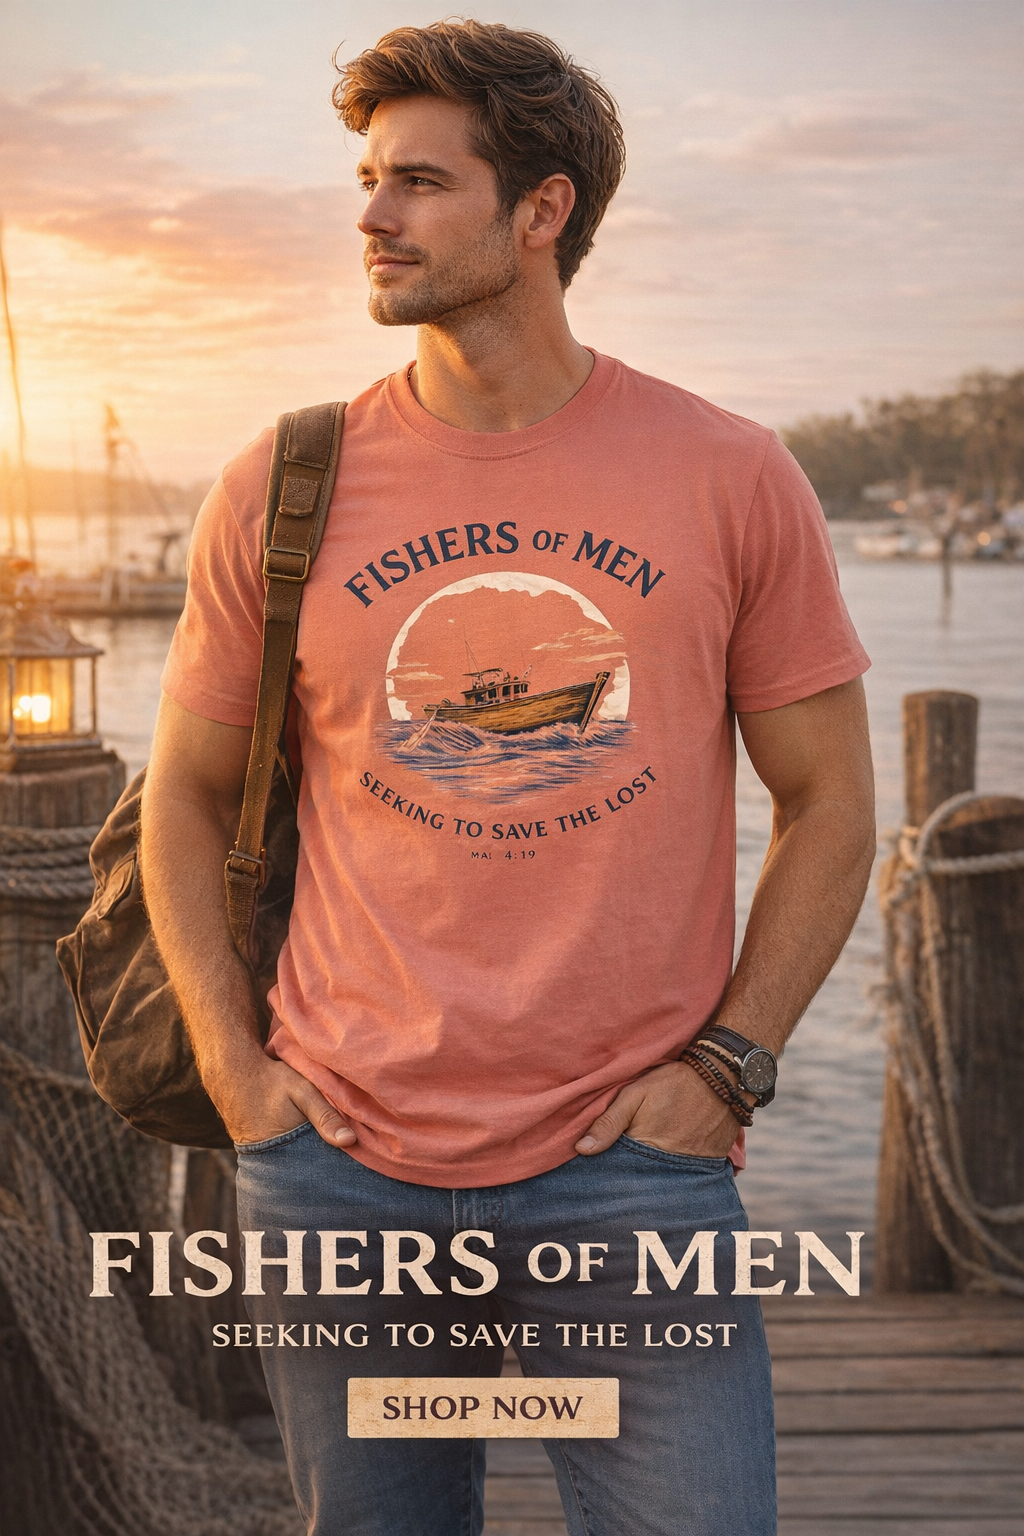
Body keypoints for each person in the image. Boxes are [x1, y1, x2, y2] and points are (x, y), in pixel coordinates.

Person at [141, 19, 875, 1536]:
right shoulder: (283, 485)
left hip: (632, 1173)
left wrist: (727, 1065)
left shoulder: (729, 474)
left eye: (419, 181)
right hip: (336, 1165)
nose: (372, 215)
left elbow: (832, 803)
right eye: (365, 180)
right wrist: (236, 1071)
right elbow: (185, 796)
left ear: (542, 212)